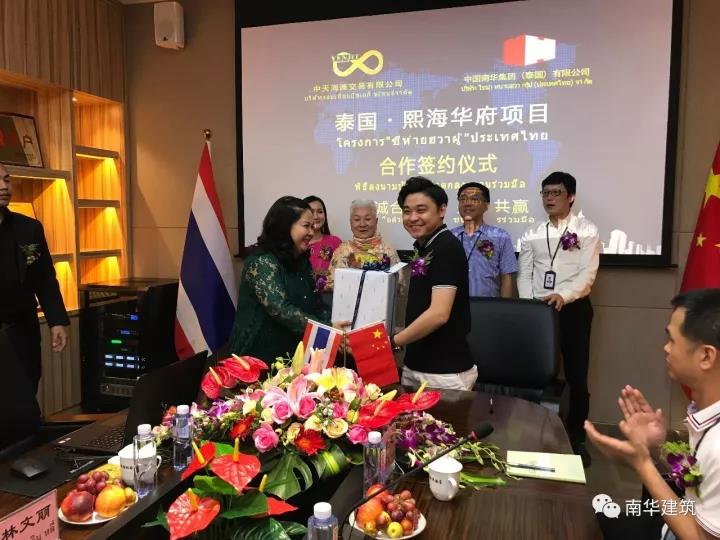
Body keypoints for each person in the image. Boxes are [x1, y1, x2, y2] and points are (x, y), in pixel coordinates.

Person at [585, 289, 720, 540]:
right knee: (588, 522)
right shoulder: (707, 412)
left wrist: (642, 463)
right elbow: (698, 481)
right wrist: (658, 448)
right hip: (672, 522)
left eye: (672, 341)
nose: (666, 348)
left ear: (706, 356)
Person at [517, 171, 600, 466]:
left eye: (556, 193)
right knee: (536, 375)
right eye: (546, 193)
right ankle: (533, 434)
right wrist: (530, 304)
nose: (549, 198)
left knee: (577, 376)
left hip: (573, 309)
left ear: (571, 197)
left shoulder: (587, 230)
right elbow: (525, 272)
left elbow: (587, 274)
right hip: (539, 312)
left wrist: (563, 295)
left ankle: (576, 439)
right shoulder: (532, 232)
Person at [0, 163, 69, 445]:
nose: (3, 186)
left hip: (22, 331)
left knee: (26, 401)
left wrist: (57, 321)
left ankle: (24, 459)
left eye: (6, 180)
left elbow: (45, 279)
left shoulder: (28, 228)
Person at [390, 177, 476, 390]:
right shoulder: (425, 246)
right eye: (407, 211)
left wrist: (392, 341)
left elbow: (439, 314)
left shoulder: (446, 247)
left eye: (421, 210)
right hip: (418, 365)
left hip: (443, 372)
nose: (413, 218)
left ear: (442, 210)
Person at [227, 196, 333, 361]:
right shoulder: (262, 261)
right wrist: (327, 329)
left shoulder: (302, 260)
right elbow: (281, 309)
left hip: (294, 353)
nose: (312, 233)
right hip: (258, 357)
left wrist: (334, 327)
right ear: (285, 226)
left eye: (313, 227)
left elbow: (316, 302)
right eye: (306, 226)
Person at [450, 182, 517, 297]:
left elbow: (506, 277)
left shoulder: (500, 236)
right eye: (463, 199)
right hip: (455, 305)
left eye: (475, 199)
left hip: (488, 305)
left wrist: (504, 307)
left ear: (486, 205)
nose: (467, 203)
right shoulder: (450, 237)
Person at [325, 200, 400, 290]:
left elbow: (398, 286)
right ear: (350, 222)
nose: (362, 224)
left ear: (376, 221)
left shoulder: (388, 250)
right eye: (357, 220)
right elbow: (331, 285)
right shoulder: (341, 252)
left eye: (367, 219)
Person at [303, 195, 342, 274]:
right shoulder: (297, 245)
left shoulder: (335, 242)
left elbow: (342, 272)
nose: (316, 217)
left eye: (320, 212)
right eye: (311, 212)